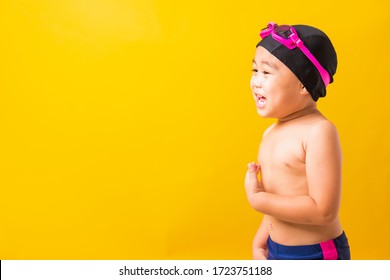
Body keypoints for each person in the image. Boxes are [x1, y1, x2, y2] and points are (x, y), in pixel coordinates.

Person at [244, 22, 350, 260]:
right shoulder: (270, 132)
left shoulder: (318, 132)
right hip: (275, 250)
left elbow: (324, 211)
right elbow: (281, 200)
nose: (256, 81)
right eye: (254, 71)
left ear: (303, 83)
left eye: (267, 72)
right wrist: (261, 241)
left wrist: (258, 200)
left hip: (315, 255)